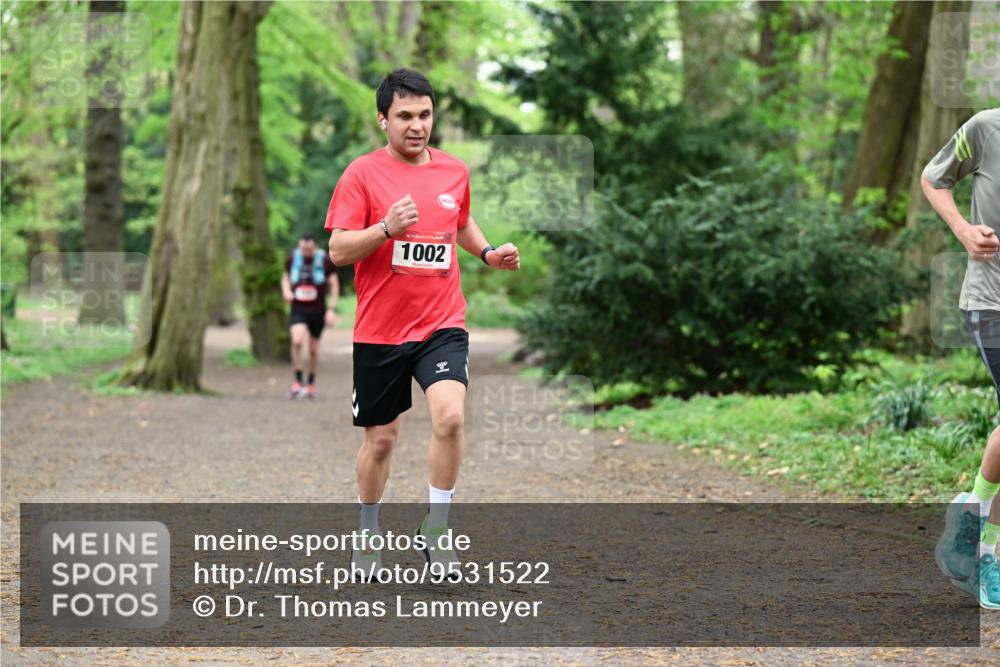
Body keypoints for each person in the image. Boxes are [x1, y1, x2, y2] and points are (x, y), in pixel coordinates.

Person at [325, 68, 519, 580]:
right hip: (380, 331)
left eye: (425, 115)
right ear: (382, 120)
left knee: (451, 419)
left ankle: (438, 529)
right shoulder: (361, 174)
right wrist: (386, 228)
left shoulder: (454, 171)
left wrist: (487, 253)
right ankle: (368, 534)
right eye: (405, 116)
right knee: (382, 440)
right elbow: (338, 250)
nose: (417, 126)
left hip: (442, 323)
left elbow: (459, 221)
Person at [924, 108, 1000, 609]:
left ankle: (980, 537)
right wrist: (963, 230)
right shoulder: (986, 128)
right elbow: (934, 178)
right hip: (992, 303)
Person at [281, 233, 338, 399]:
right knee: (297, 341)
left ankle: (311, 383)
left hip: (317, 310)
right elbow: (285, 277)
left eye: (309, 249)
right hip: (298, 309)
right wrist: (286, 291)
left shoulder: (325, 261)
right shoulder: (293, 258)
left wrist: (331, 309)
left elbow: (334, 285)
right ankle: (297, 382)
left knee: (313, 350)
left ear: (315, 247)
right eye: (303, 248)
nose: (305, 251)